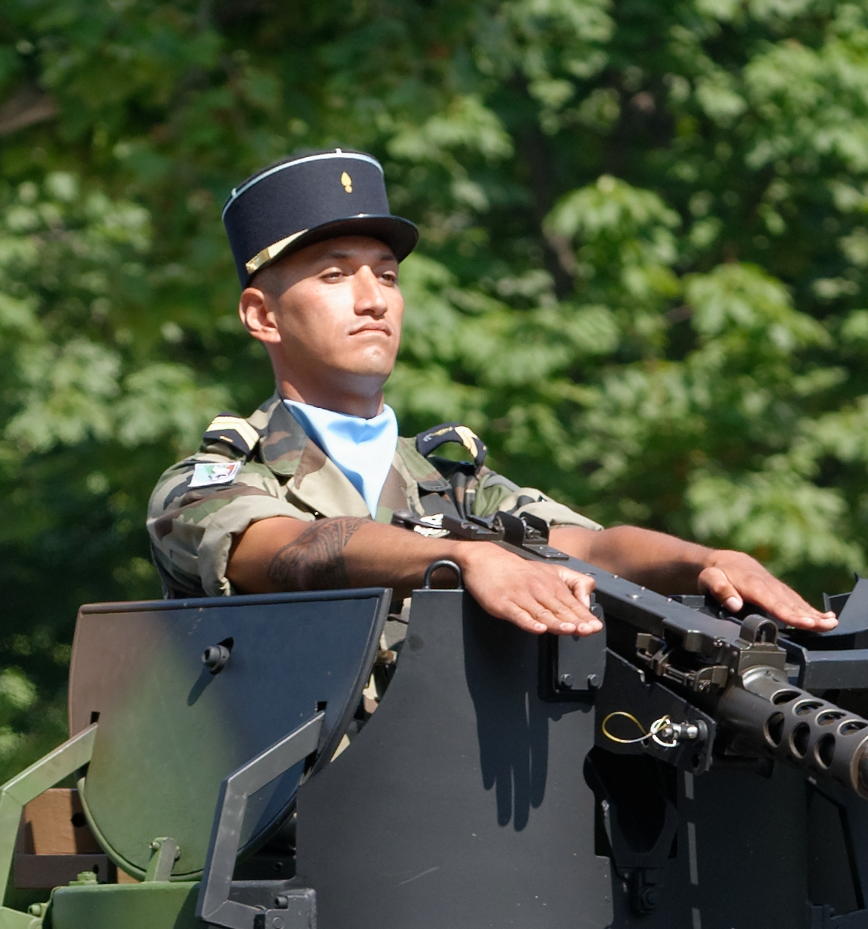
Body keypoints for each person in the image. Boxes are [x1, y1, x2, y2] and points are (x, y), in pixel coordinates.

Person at [148, 150, 832, 641]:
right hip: (299, 829)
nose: (372, 300)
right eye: (334, 276)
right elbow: (295, 551)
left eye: (386, 276)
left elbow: (589, 551)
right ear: (262, 316)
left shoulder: (451, 484)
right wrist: (461, 557)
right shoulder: (208, 485)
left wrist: (704, 560)